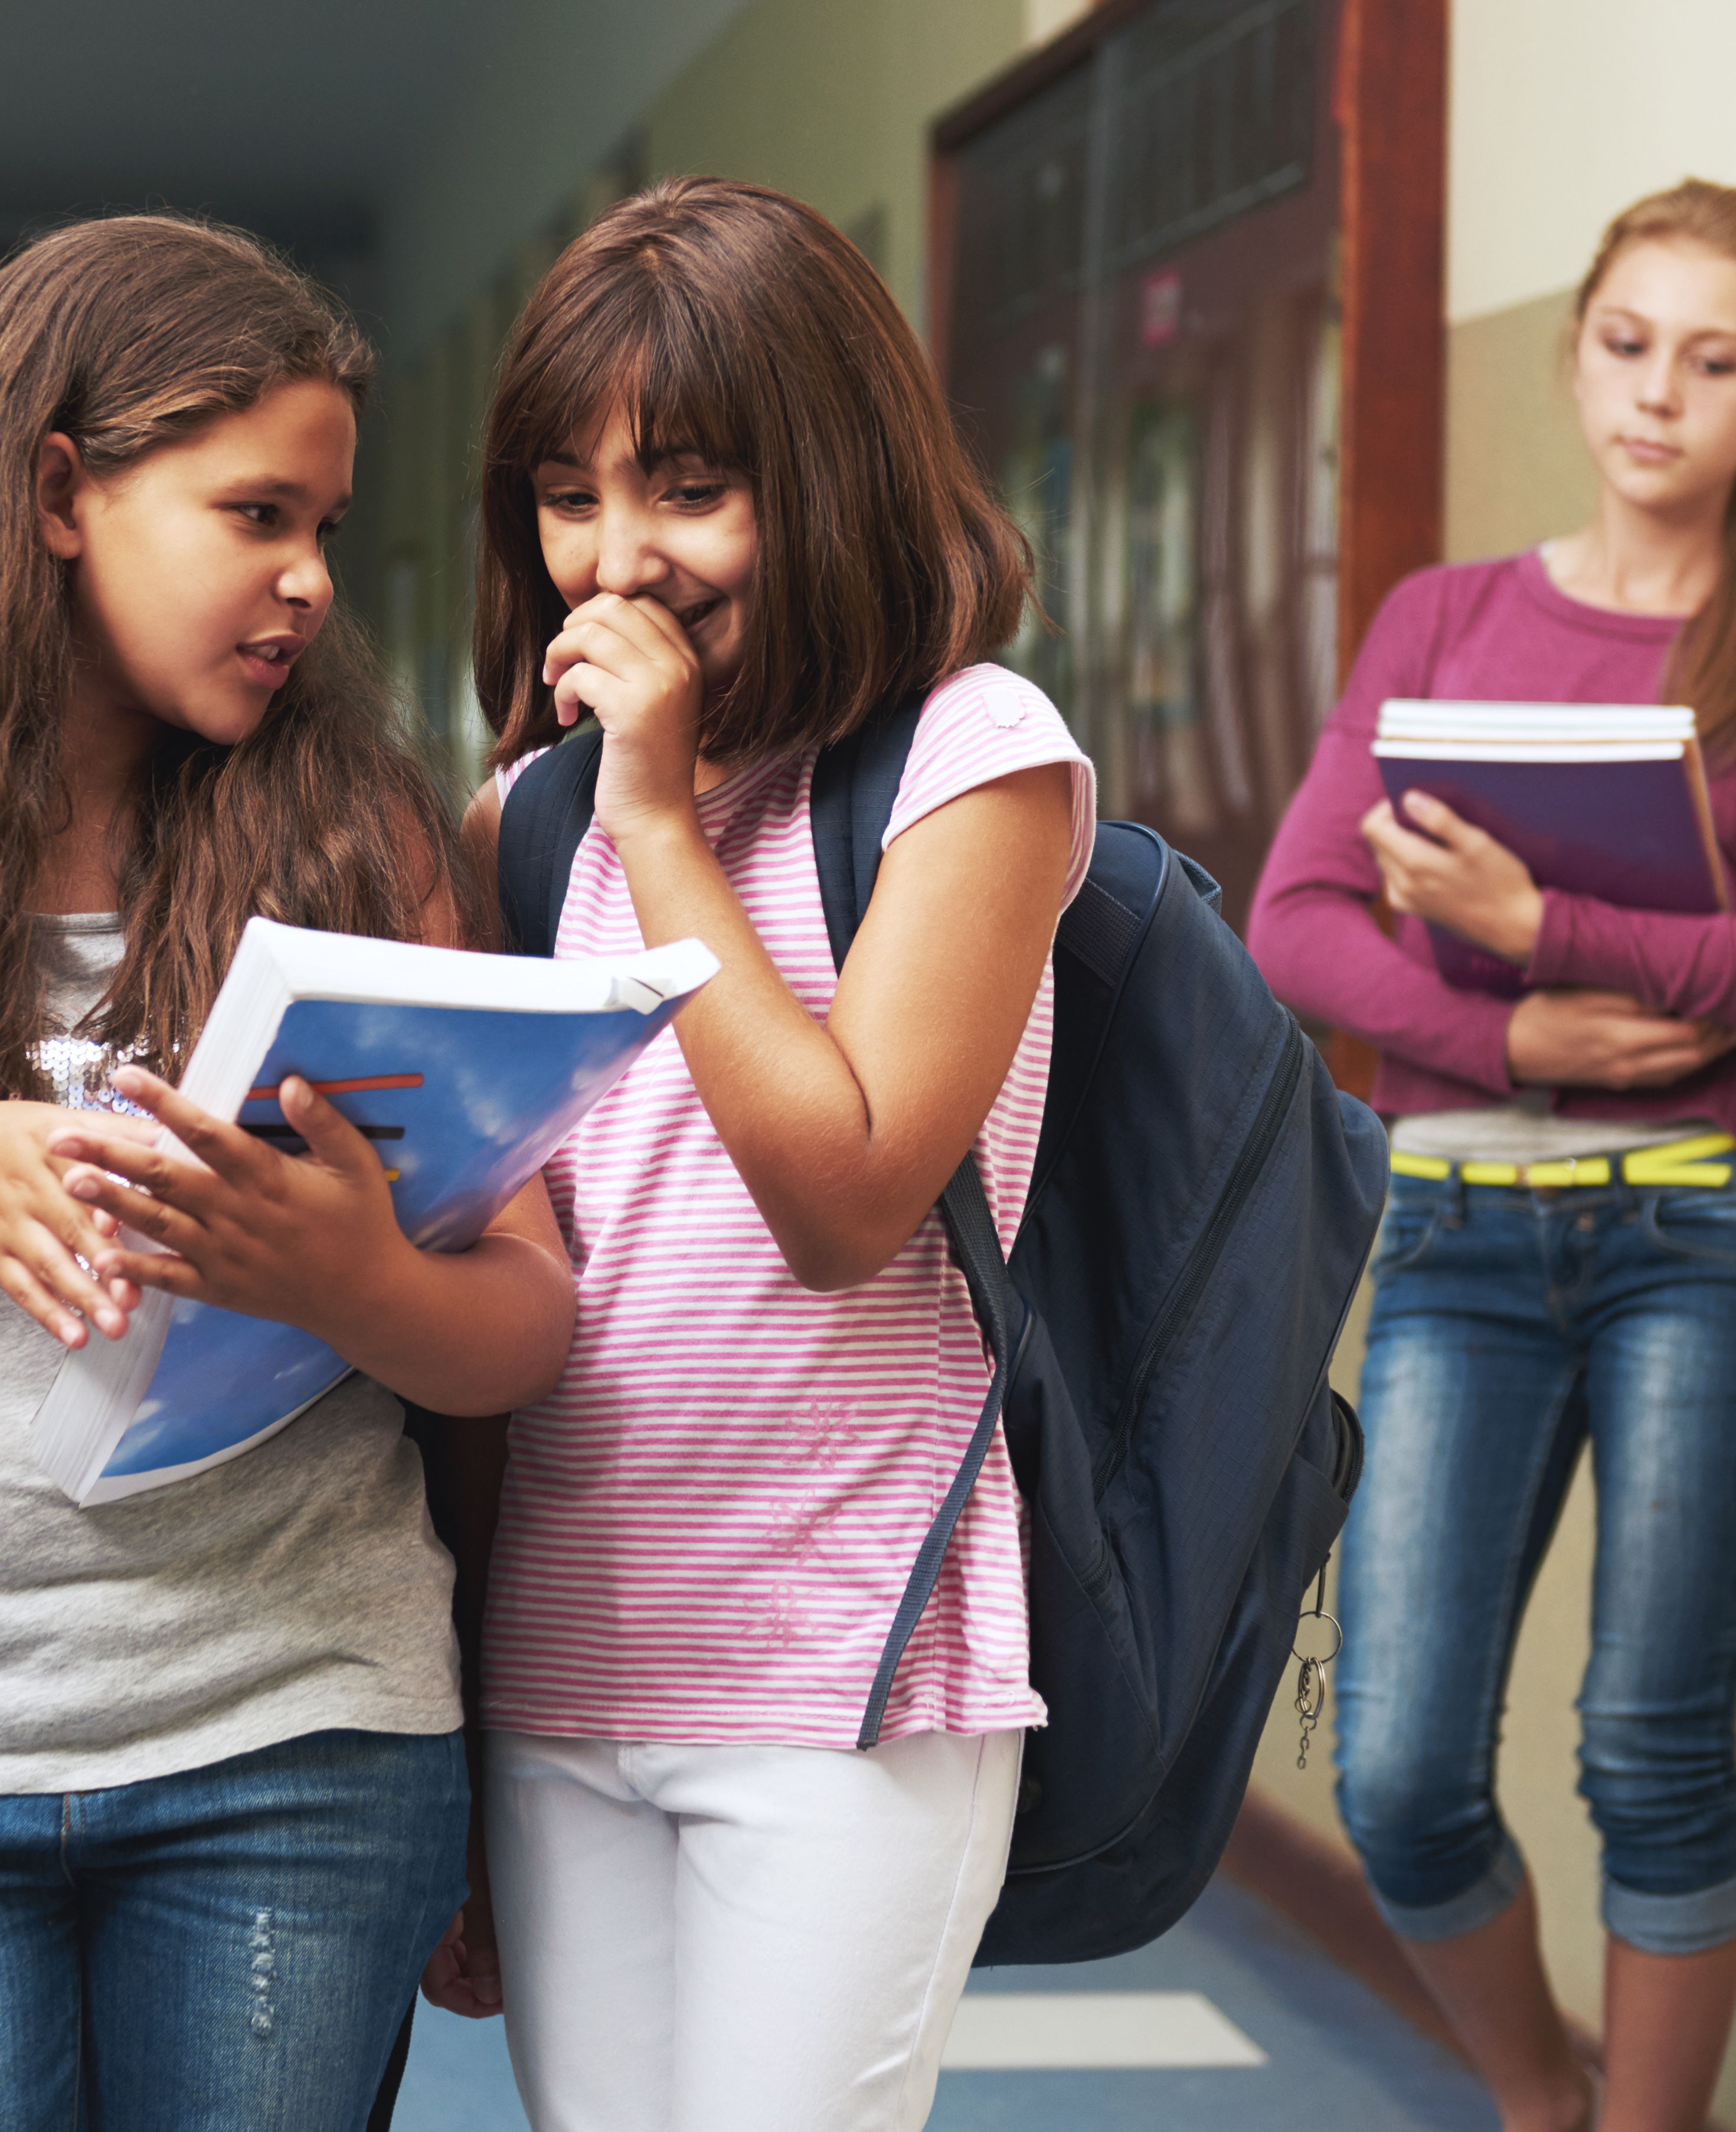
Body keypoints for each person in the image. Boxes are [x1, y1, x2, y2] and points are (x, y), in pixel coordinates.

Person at [0, 215, 571, 2132]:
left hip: (297, 1742)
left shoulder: (357, 836)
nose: (308, 580)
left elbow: (522, 1330)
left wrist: (348, 1276)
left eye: (321, 526)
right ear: (60, 490)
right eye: (255, 515)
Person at [1244, 178, 1736, 2132]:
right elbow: (1298, 919)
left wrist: (1558, 931)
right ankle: (1544, 2097)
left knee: (1647, 1744)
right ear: (1575, 354)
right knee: (1395, 1770)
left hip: (1714, 1239)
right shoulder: (1444, 618)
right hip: (1461, 1220)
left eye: (1712, 364)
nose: (1657, 398)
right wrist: (1509, 1026)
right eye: (1626, 347)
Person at [428, 178, 1095, 2132]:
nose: (616, 558)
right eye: (568, 493)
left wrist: (655, 821)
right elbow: (509, 1280)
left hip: (846, 1675)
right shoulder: (518, 827)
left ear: (830, 472)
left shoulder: (972, 758)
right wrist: (458, 1711)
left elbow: (845, 1194)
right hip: (562, 1657)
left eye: (690, 485)